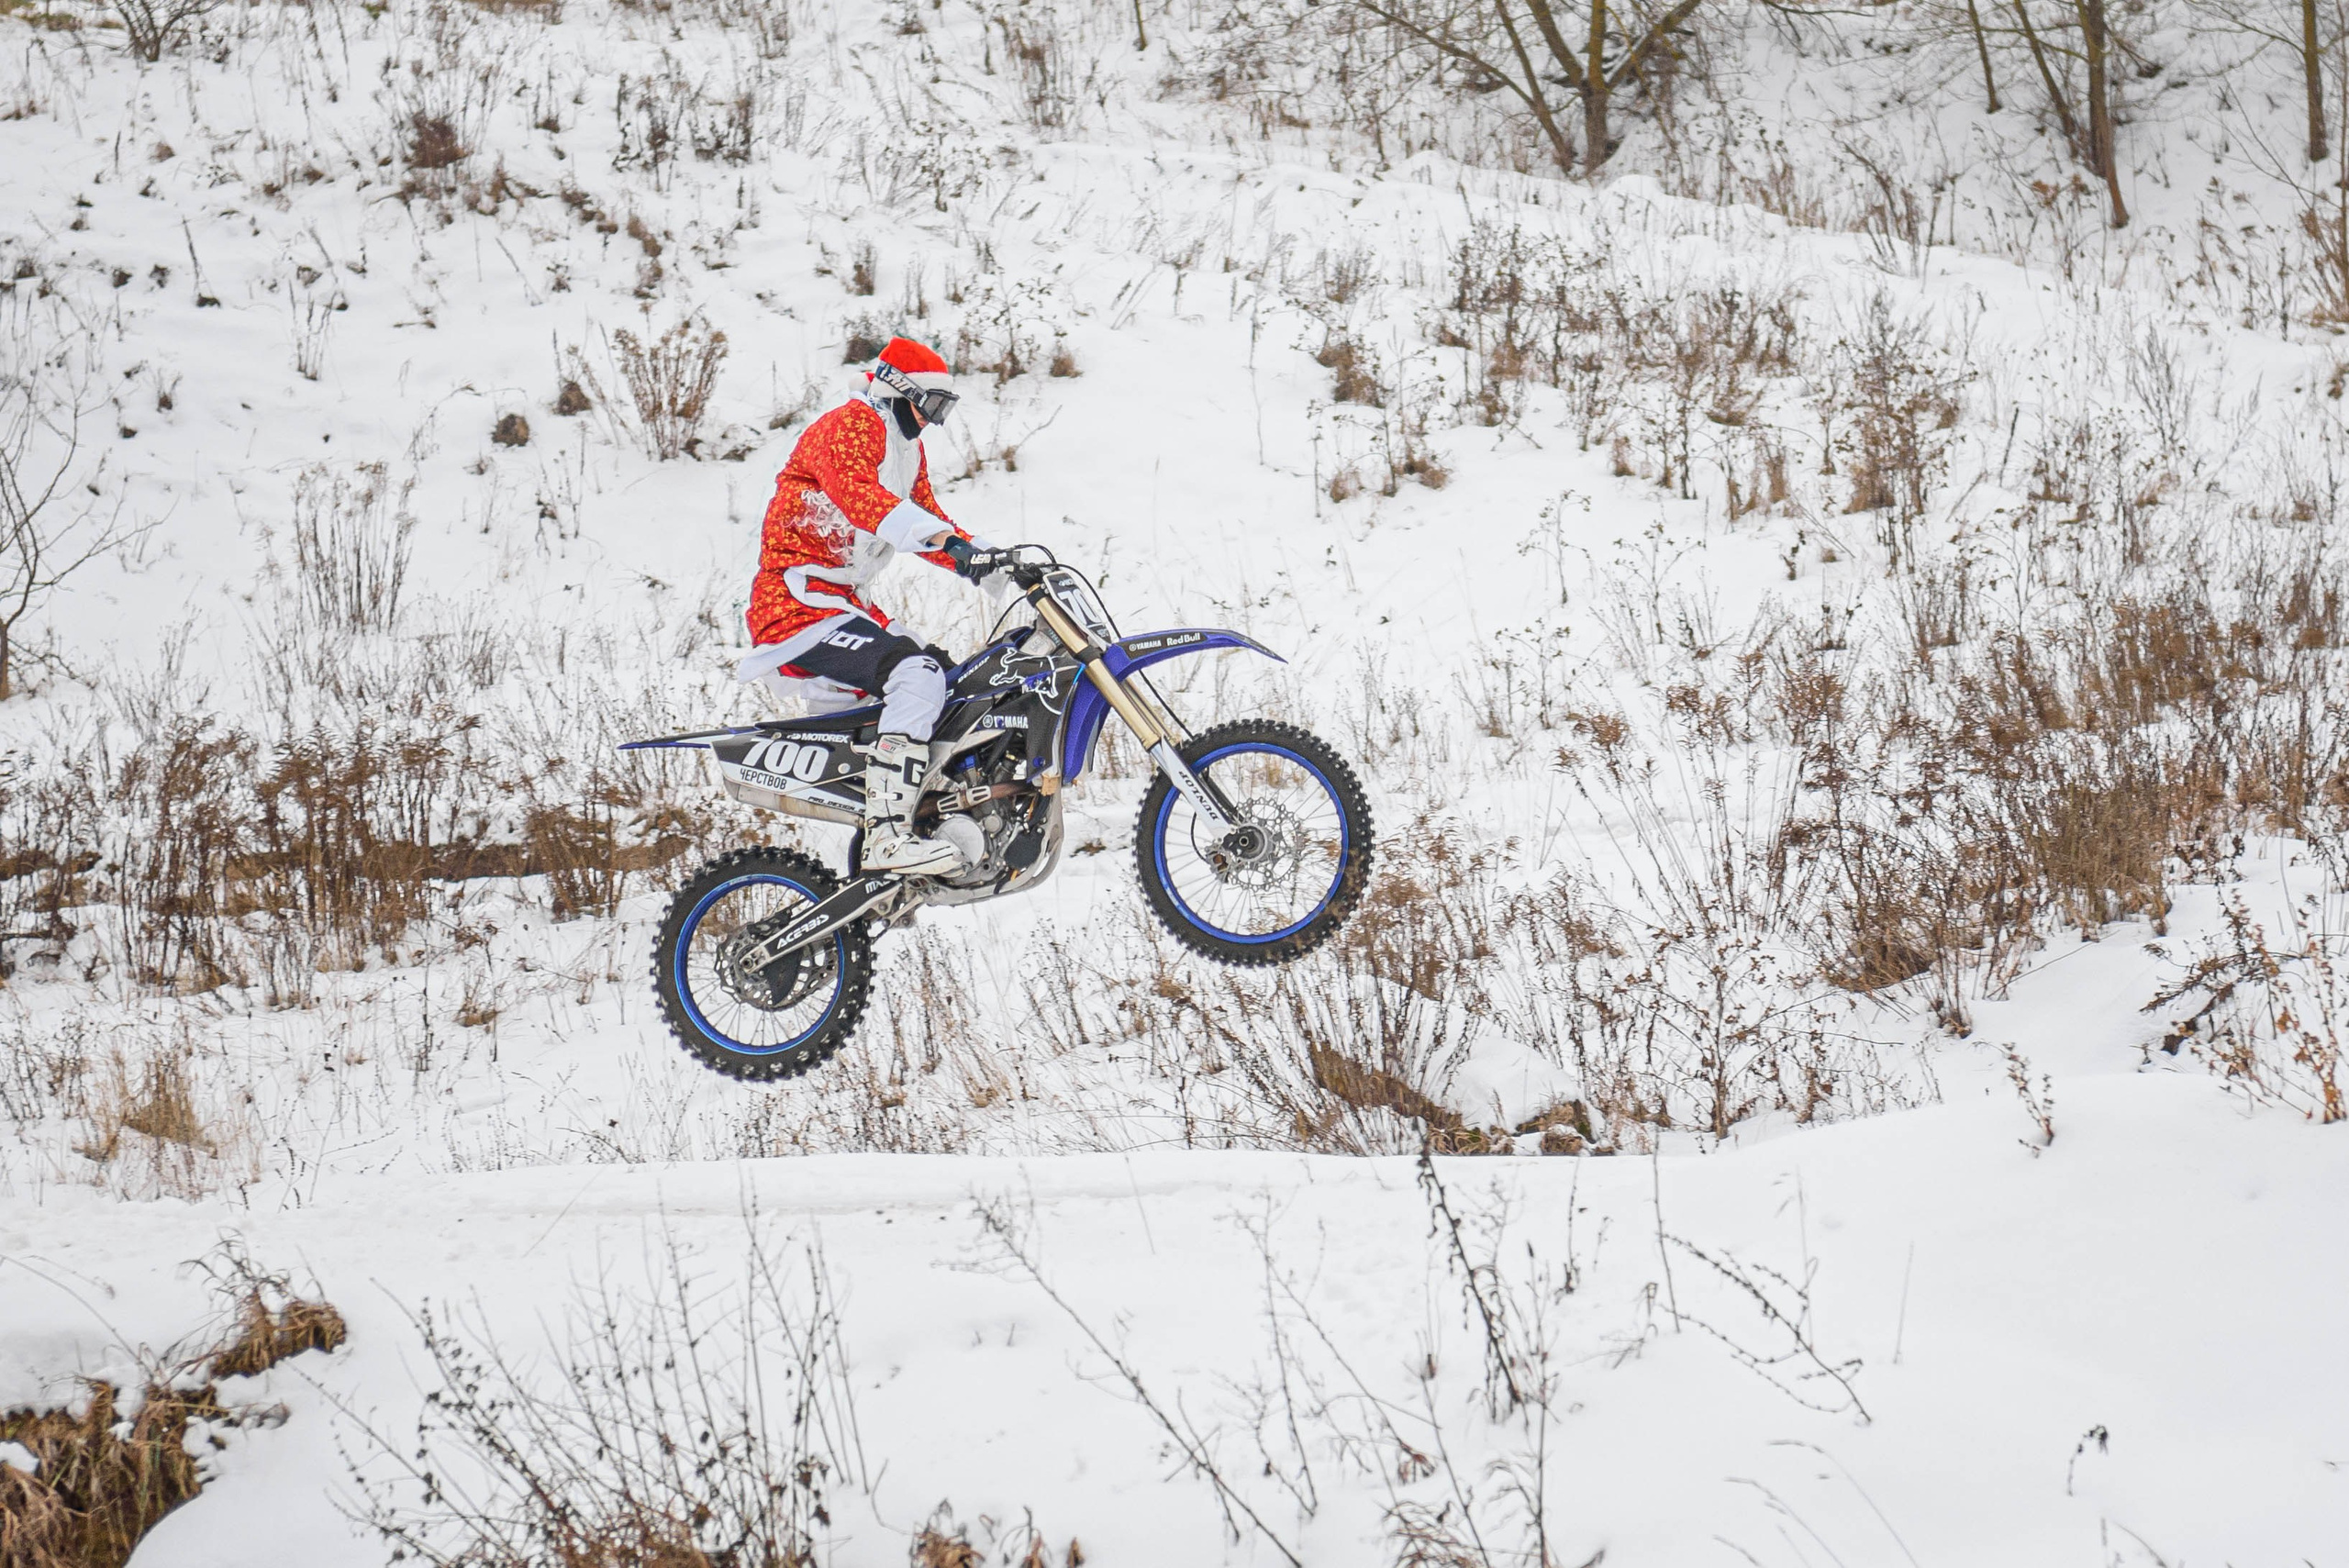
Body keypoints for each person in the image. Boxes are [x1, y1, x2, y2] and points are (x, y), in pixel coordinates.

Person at [736, 336, 1003, 875]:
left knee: (957, 683)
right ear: (900, 391)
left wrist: (990, 565)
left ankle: (927, 820)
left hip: (844, 604)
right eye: (931, 406)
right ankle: (886, 837)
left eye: (943, 411)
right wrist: (947, 543)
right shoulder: (849, 425)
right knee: (916, 674)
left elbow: (926, 514)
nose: (932, 421)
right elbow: (862, 498)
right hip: (798, 603)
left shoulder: (906, 448)